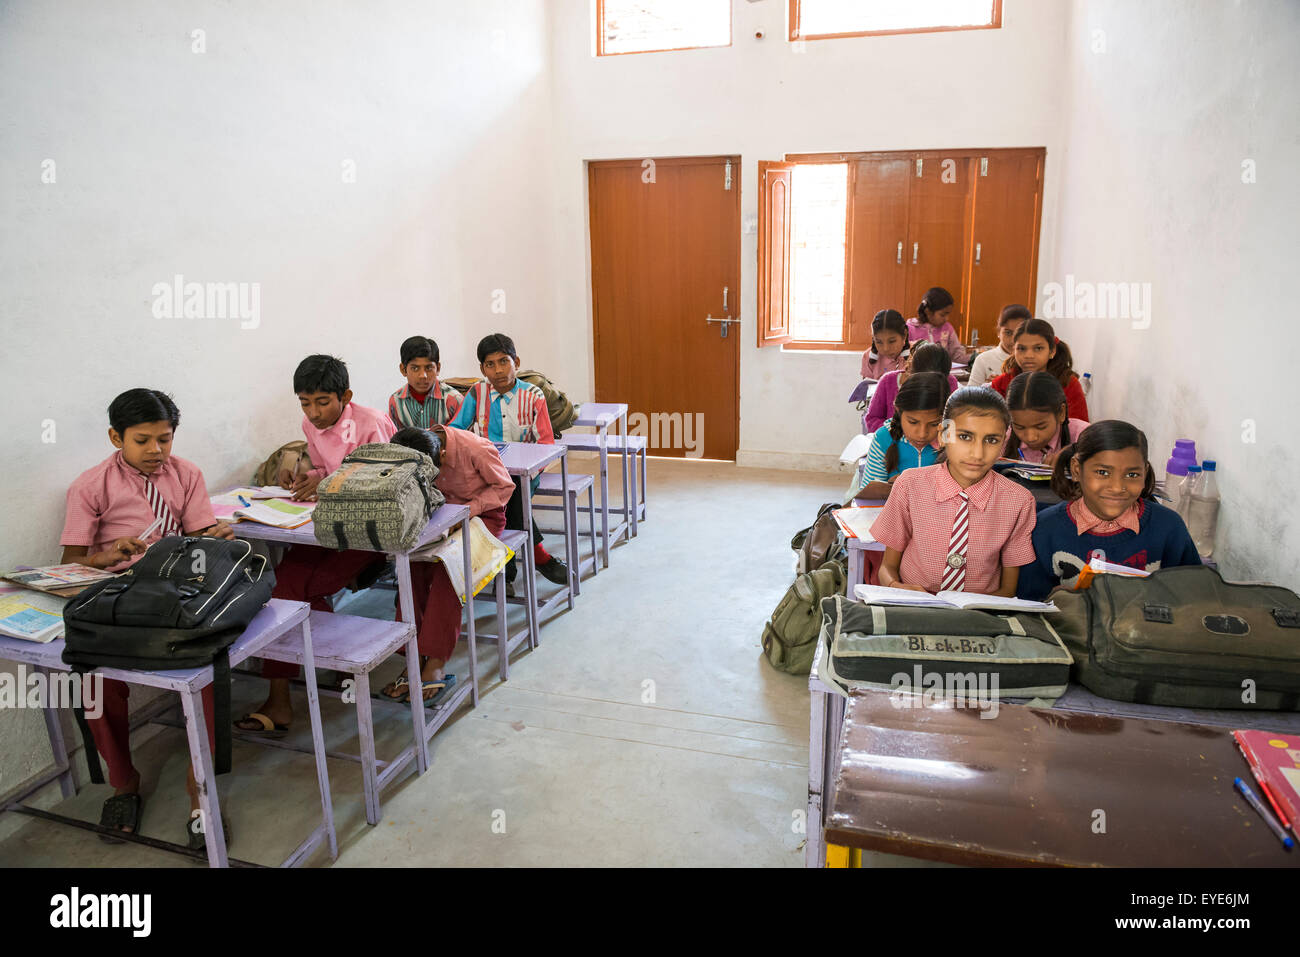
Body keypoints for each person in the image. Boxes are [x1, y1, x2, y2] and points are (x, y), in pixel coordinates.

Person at [60, 388, 235, 846]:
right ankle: (124, 783)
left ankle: (199, 790)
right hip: (117, 598)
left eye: (165, 438)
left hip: (177, 591)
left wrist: (213, 536)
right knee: (94, 683)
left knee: (212, 670)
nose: (157, 451)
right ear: (116, 437)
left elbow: (198, 536)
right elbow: (70, 564)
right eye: (143, 440)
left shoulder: (186, 474)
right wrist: (105, 555)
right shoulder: (91, 485)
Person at [236, 355, 396, 737]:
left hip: (367, 531)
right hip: (322, 526)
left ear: (346, 396)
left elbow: (387, 483)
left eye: (323, 401)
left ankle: (287, 694)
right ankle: (323, 671)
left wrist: (326, 484)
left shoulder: (372, 423)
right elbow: (330, 467)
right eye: (305, 403)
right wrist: (309, 476)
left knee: (299, 591)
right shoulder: (310, 424)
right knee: (280, 585)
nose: (314, 412)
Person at [380, 425, 514, 704]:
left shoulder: (474, 448)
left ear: (441, 454)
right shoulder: (413, 448)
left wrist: (466, 512)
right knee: (410, 568)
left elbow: (504, 487)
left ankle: (436, 661)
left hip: (481, 518)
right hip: (439, 520)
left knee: (448, 569)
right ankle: (412, 655)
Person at [871, 387, 1037, 596]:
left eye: (992, 440)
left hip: (981, 617)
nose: (977, 453)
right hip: (914, 608)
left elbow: (1007, 590)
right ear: (943, 435)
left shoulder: (1019, 501)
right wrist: (899, 589)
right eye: (965, 437)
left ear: (1004, 443)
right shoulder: (910, 485)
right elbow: (887, 569)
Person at [1018, 420, 1200, 600]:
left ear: (1144, 473)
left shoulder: (1168, 527)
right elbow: (1030, 605)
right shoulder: (1045, 529)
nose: (1117, 487)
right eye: (1103, 472)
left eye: (1132, 475)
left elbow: (1194, 598)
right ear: (1076, 469)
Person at [447, 333, 568, 585]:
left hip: (524, 476)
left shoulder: (533, 395)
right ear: (482, 369)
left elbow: (545, 444)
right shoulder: (476, 393)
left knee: (509, 489)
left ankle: (508, 565)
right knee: (503, 491)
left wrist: (527, 472)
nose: (498, 370)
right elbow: (456, 429)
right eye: (490, 364)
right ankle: (537, 557)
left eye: (504, 361)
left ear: (517, 362)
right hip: (484, 473)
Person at [851, 372, 949, 500]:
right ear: (898, 410)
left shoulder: (951, 438)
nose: (922, 433)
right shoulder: (883, 438)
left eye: (934, 424)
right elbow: (870, 498)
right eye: (913, 422)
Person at [988, 318, 1090, 421]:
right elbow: (991, 424)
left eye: (1038, 348)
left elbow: (1078, 429)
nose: (1029, 355)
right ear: (1014, 350)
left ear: (1052, 351)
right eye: (1021, 348)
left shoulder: (1068, 384)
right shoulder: (1000, 384)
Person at [862, 341, 960, 433]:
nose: (921, 434)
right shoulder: (888, 381)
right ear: (910, 372)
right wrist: (896, 433)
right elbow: (872, 419)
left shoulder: (949, 382)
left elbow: (953, 422)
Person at [1002, 371, 1088, 466]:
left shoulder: (1084, 436)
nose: (1031, 438)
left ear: (1061, 413)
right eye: (1019, 427)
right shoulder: (1003, 439)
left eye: (1041, 427)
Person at [388, 335, 463, 429]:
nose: (423, 375)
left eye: (429, 368)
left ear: (438, 368)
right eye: (415, 368)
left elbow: (466, 440)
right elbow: (394, 441)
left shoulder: (454, 400)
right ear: (403, 370)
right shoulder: (396, 401)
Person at [968, 304, 1029, 388]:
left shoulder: (1033, 360)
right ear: (998, 332)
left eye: (1019, 333)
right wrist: (987, 388)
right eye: (1008, 333)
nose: (1013, 340)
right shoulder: (983, 359)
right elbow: (969, 397)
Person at [907, 286, 967, 365]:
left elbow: (957, 356)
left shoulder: (947, 328)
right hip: (918, 374)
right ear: (928, 311)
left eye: (948, 314)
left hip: (942, 375)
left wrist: (975, 358)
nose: (947, 318)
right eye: (942, 315)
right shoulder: (910, 329)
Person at [860, 309, 911, 380]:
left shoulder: (916, 354)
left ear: (904, 335)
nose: (885, 348)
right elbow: (868, 388)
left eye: (892, 341)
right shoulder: (868, 357)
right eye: (879, 342)